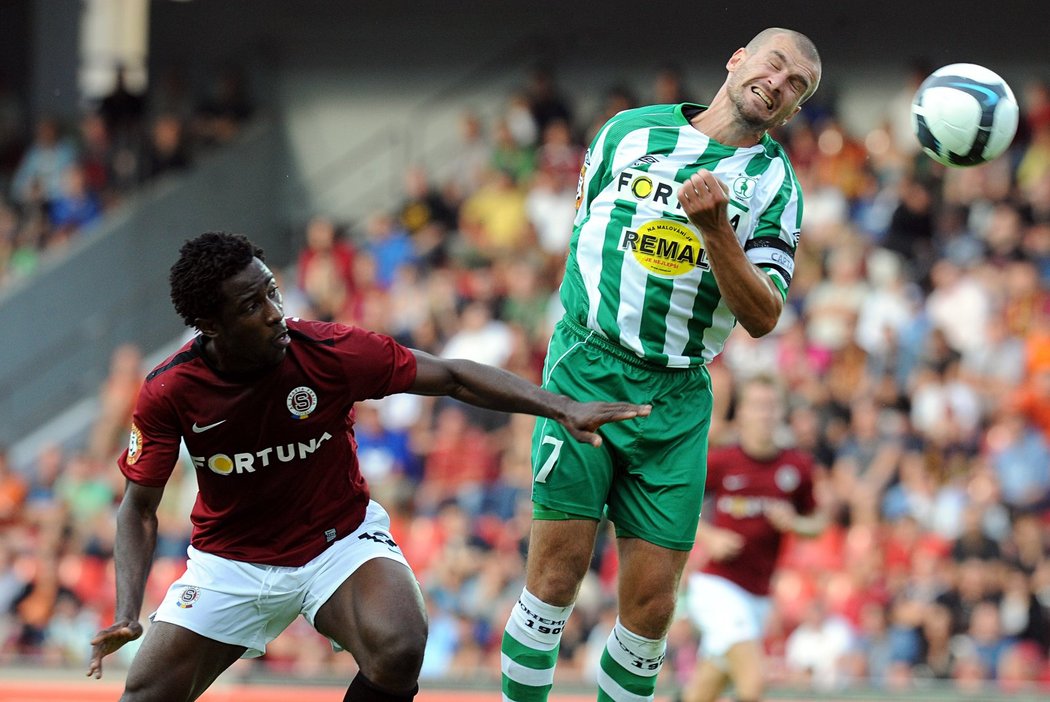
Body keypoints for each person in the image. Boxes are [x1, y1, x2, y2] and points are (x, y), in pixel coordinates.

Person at [86, 231, 651, 702]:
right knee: (143, 697)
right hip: (230, 564)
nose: (275, 313)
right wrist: (129, 612)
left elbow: (451, 375)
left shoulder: (328, 352)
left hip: (338, 543)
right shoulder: (169, 391)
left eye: (273, 292)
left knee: (400, 646)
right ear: (210, 325)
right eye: (251, 306)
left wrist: (562, 406)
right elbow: (137, 511)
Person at [498, 27, 822, 701]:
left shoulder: (777, 189)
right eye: (776, 65)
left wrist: (714, 230)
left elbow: (763, 316)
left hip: (675, 399)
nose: (780, 84)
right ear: (738, 59)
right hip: (587, 367)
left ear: (794, 111)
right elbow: (589, 229)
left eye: (798, 87)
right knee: (555, 579)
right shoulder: (627, 132)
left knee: (649, 611)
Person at [679, 375, 826, 702]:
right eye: (758, 406)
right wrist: (709, 535)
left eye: (772, 406)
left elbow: (817, 520)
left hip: (759, 594)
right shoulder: (722, 461)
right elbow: (679, 504)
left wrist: (796, 524)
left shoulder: (796, 467)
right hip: (717, 586)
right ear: (742, 412)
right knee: (753, 683)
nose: (765, 414)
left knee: (705, 688)